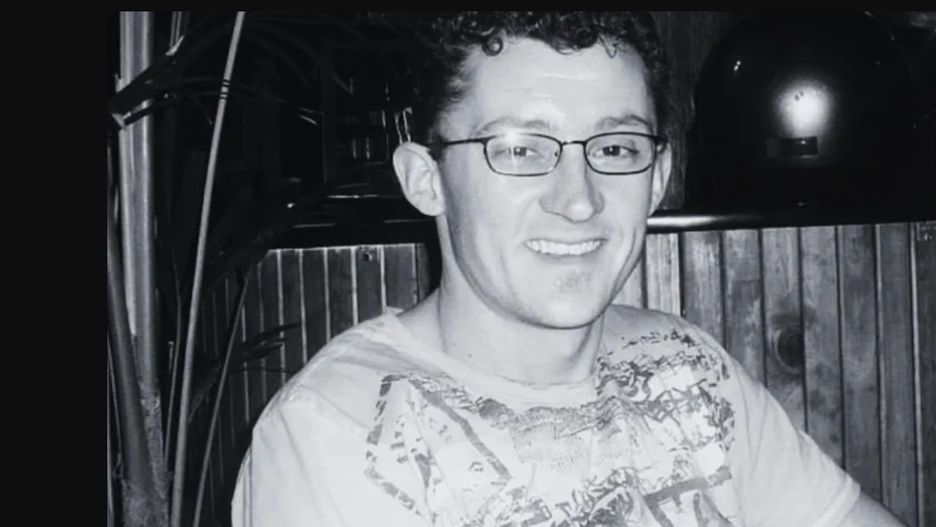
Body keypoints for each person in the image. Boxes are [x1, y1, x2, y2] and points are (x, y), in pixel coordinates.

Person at [232, 12, 904, 526]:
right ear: (426, 179)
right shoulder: (336, 432)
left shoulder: (689, 370)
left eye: (615, 148)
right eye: (520, 149)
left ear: (657, 177)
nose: (578, 199)